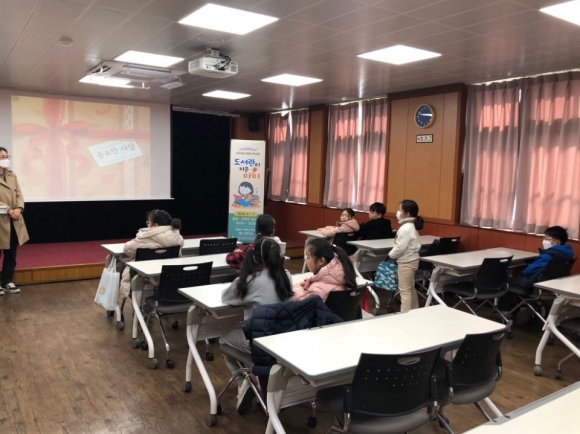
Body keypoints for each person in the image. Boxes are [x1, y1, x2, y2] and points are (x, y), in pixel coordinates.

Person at [220, 237, 293, 414]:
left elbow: (226, 298)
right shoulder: (286, 276)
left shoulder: (249, 281)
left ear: (254, 258)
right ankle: (256, 376)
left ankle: (245, 381)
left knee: (224, 338)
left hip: (260, 344)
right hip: (284, 342)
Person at [119, 209, 184, 299]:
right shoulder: (177, 237)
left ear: (155, 225)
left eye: (148, 222)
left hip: (144, 275)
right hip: (169, 276)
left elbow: (127, 249)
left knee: (123, 269)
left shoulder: (145, 236)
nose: (147, 225)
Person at [0, 147, 29, 295]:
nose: (5, 159)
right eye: (1, 157)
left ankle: (7, 281)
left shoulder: (11, 175)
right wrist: (8, 210)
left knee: (11, 253)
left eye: (6, 157)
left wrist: (18, 208)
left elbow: (19, 194)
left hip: (14, 220)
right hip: (2, 219)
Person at [387, 199, 424, 312]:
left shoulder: (405, 228)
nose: (398, 212)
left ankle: (404, 316)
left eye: (400, 210)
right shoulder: (410, 226)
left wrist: (390, 255)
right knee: (410, 288)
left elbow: (399, 248)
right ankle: (414, 311)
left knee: (404, 291)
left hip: (406, 262)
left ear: (407, 214)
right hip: (412, 260)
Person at [510, 226, 574, 291]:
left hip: (535, 284)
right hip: (554, 283)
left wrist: (521, 274)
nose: (544, 241)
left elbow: (529, 270)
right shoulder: (567, 253)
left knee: (506, 280)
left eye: (546, 239)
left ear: (556, 242)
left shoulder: (547, 256)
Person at [292, 238, 357, 302]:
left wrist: (297, 288)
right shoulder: (345, 276)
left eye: (308, 257)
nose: (306, 261)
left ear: (321, 261)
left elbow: (302, 305)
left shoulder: (316, 289)